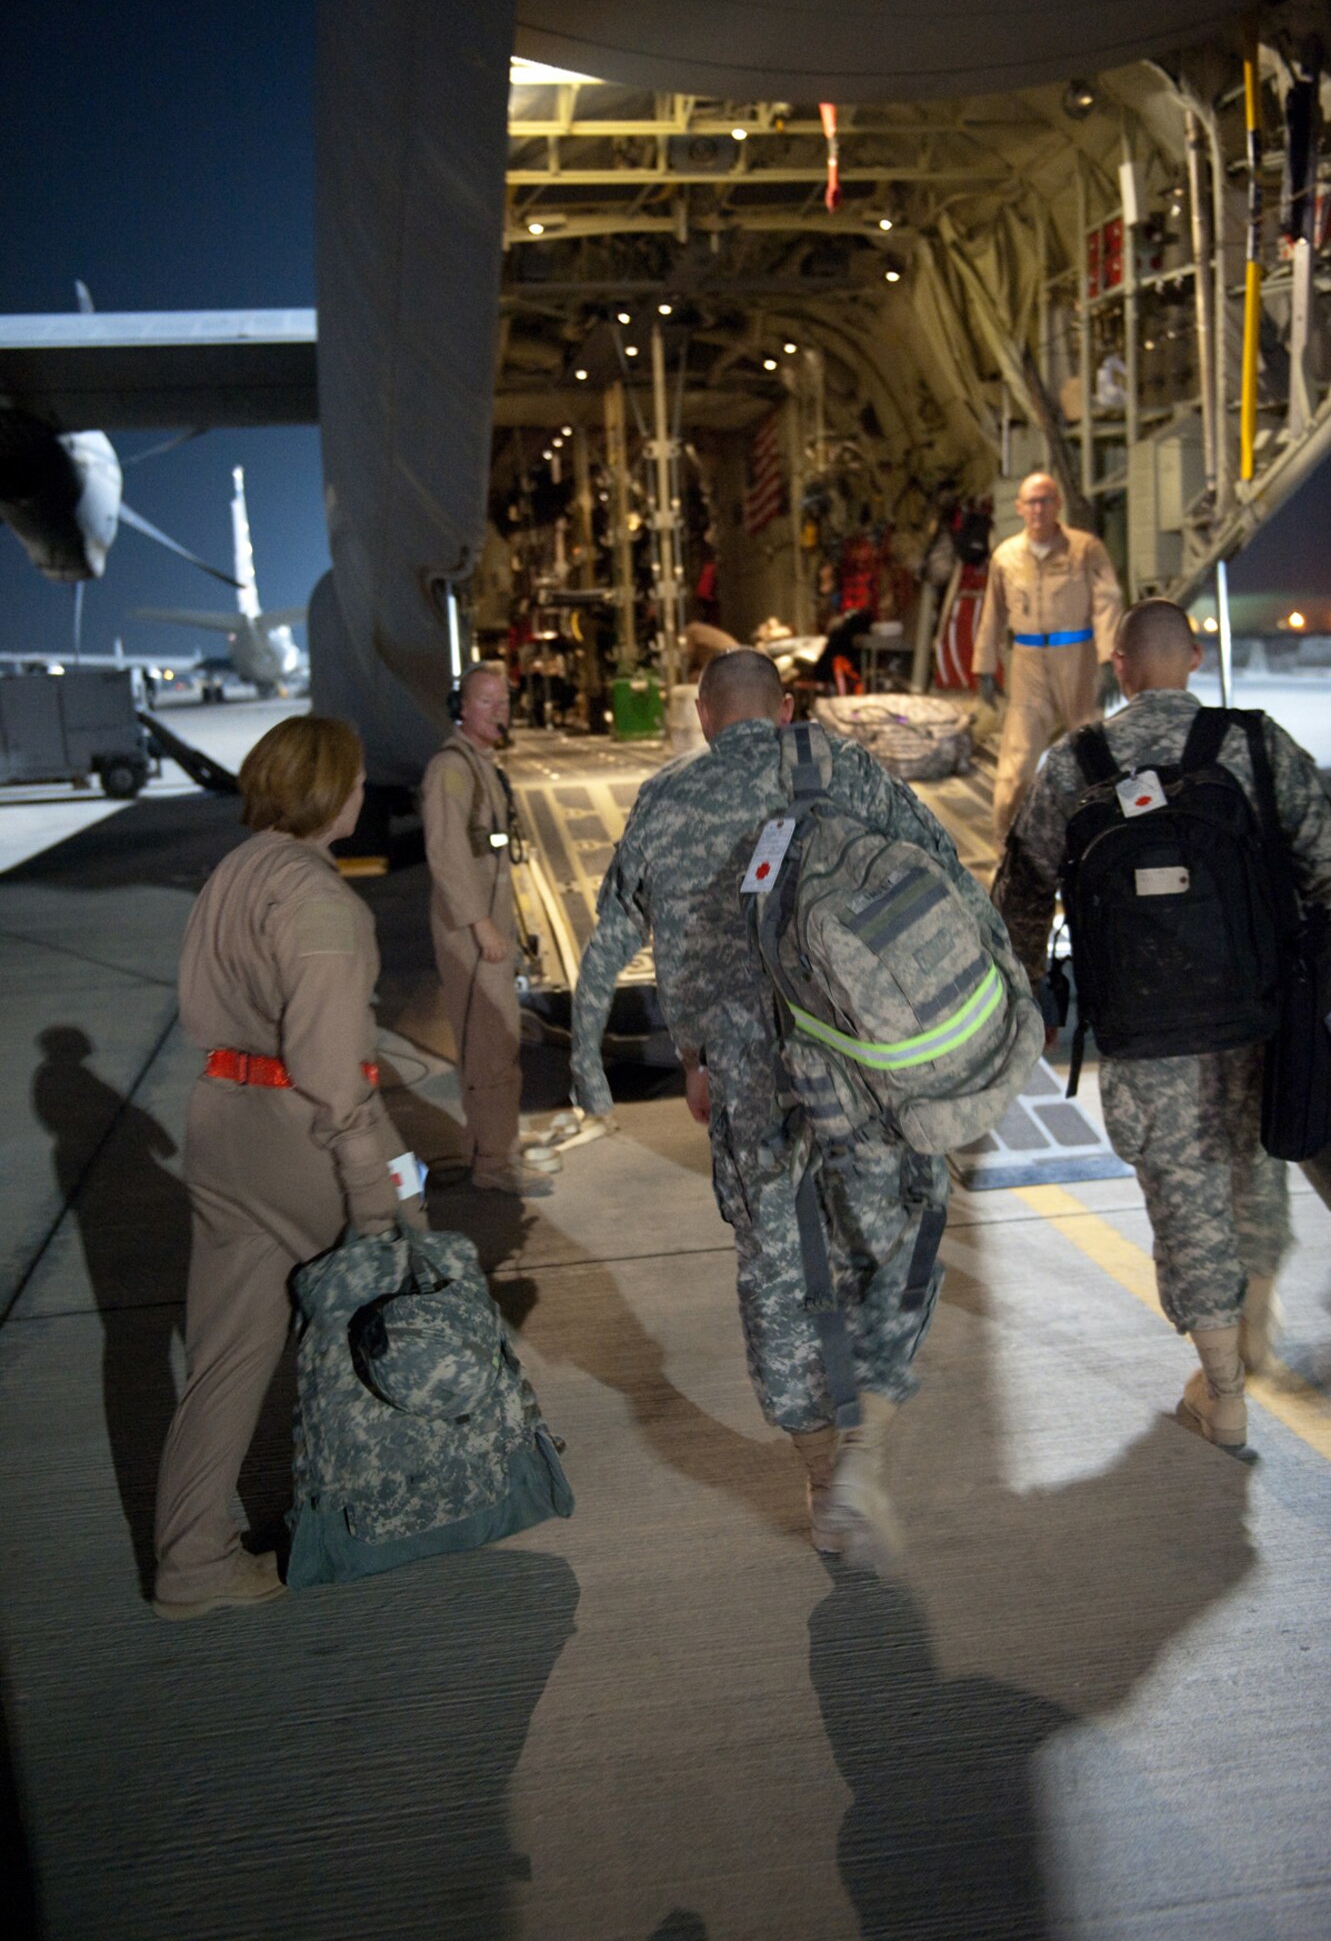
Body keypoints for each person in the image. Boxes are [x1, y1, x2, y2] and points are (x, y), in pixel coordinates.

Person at [571, 648, 1028, 1553]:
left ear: (703, 716)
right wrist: (1001, 1000)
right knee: (900, 1238)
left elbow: (608, 943)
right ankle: (872, 1433)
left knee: (779, 1272)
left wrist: (591, 1066)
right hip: (859, 1063)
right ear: (782, 710)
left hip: (744, 1085)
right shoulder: (838, 767)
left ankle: (822, 1484)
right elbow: (939, 872)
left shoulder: (666, 802)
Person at [992, 598, 1331, 1449]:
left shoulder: (1075, 762)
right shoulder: (1253, 744)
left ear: (1119, 667)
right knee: (1255, 1171)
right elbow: (1324, 864)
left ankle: (1221, 1393)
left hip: (1144, 1031)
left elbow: (1024, 888)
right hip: (1257, 1015)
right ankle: (1251, 1328)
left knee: (1184, 1197)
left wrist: (1029, 998)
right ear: (1188, 656)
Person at [153, 716, 425, 1619]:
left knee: (226, 1359)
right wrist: (379, 1194)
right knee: (409, 1306)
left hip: (220, 1117)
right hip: (298, 1130)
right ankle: (403, 1511)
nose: (361, 796)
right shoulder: (319, 901)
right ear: (325, 792)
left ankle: (192, 1563)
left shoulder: (234, 873)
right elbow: (330, 1071)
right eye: (351, 781)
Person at [422, 663, 555, 1197]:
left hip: (487, 926)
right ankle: (495, 1166)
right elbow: (447, 855)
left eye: (503, 703)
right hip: (471, 936)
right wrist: (482, 929)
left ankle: (493, 1152)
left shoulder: (480, 766)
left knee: (494, 1047)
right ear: (461, 708)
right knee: (491, 1049)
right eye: (485, 702)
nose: (498, 713)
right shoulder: (450, 770)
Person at [972, 471, 1125, 841]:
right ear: (1019, 507)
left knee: (1094, 755)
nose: (1038, 509)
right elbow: (992, 613)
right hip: (1027, 663)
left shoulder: (1085, 549)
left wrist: (1109, 661)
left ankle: (1107, 841)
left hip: (1079, 658)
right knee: (1016, 766)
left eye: (1045, 501)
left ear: (1058, 504)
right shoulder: (1006, 556)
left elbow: (1108, 603)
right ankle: (1008, 850)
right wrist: (985, 667)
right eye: (1031, 502)